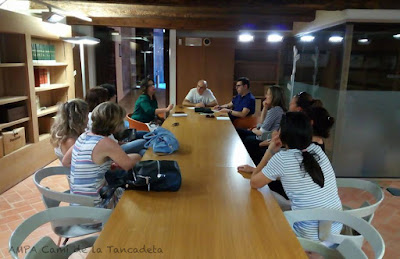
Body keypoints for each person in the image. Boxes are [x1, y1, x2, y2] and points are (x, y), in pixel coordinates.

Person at [238, 112, 342, 241]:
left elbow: (254, 183)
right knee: (277, 198)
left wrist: (270, 151)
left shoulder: (282, 158)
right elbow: (294, 175)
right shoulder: (317, 150)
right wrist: (256, 169)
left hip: (307, 235)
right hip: (334, 229)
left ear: (283, 135)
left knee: (262, 202)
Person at [62, 102, 142, 208]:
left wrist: (94, 168)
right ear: (115, 124)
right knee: (135, 198)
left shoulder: (83, 136)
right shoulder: (106, 143)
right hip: (95, 209)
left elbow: (66, 161)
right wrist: (138, 156)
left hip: (77, 206)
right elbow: (127, 164)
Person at [86, 87, 146, 155]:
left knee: (142, 141)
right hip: (112, 148)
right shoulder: (100, 116)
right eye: (107, 98)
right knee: (142, 143)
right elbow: (111, 138)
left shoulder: (97, 115)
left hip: (115, 143)